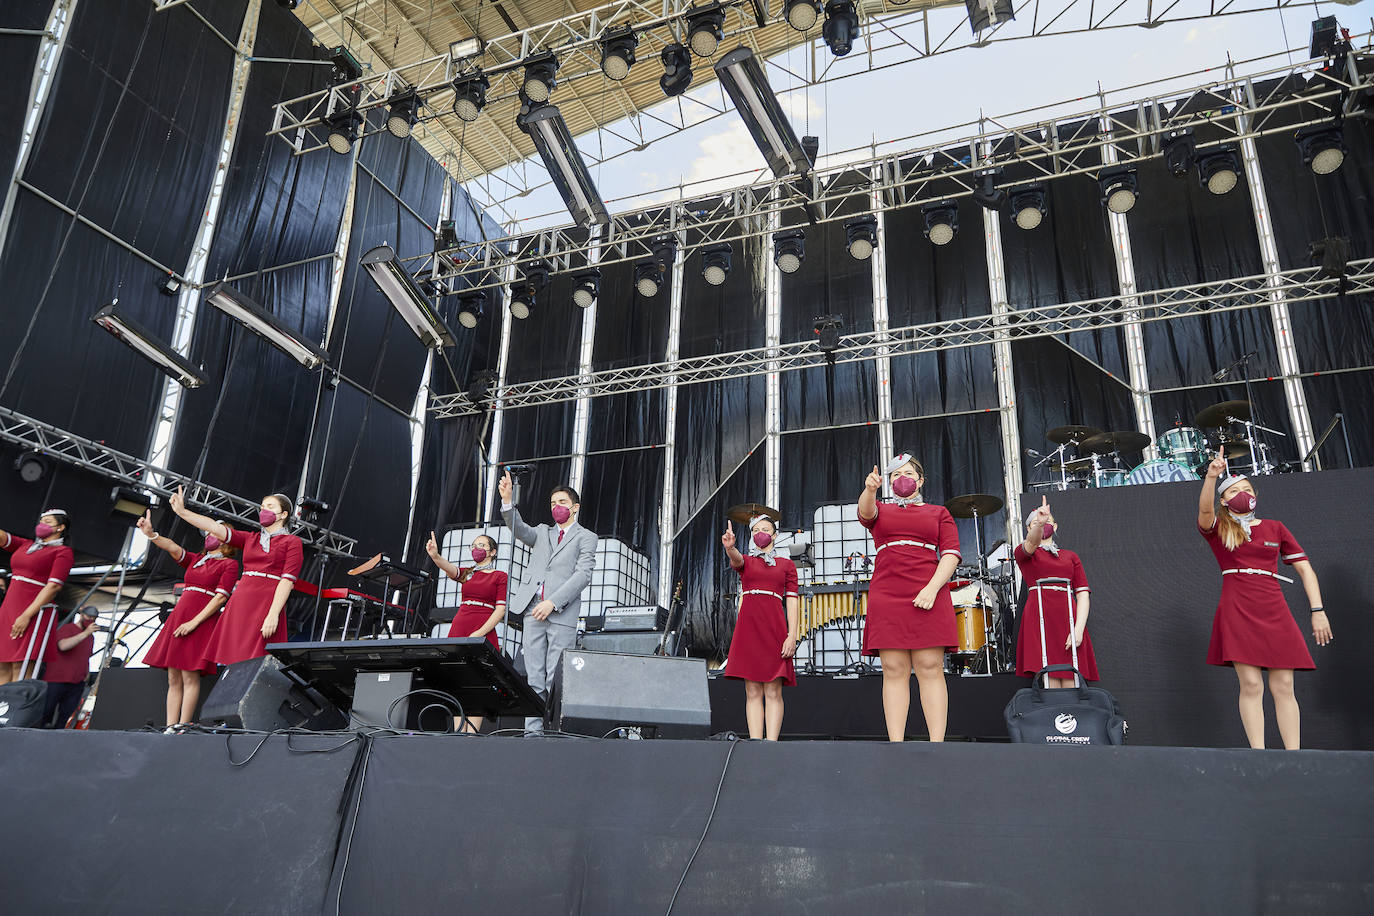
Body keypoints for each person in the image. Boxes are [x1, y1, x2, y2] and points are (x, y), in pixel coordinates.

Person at [1198, 452, 1331, 749]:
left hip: (1273, 606)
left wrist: (1317, 610)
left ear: (1255, 495)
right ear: (1223, 500)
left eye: (1246, 489)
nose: (1241, 494)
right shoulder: (1220, 528)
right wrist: (1211, 477)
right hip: (1237, 606)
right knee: (1252, 684)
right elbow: (1204, 515)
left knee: (1284, 685)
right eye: (1233, 491)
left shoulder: (1275, 527)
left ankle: (1294, 758)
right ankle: (1259, 756)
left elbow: (1304, 569)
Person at [858, 454, 961, 742]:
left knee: (930, 667)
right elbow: (865, 513)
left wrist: (932, 588)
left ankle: (937, 744)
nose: (901, 478)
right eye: (895, 474)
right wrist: (870, 489)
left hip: (929, 590)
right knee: (893, 669)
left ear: (920, 479)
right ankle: (896, 745)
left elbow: (951, 553)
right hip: (887, 593)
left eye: (907, 473)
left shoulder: (938, 512)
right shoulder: (881, 509)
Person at [499, 469, 596, 734]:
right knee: (534, 677)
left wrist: (553, 602)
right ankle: (532, 734)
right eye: (553, 503)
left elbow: (582, 575)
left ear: (575, 507)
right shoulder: (542, 532)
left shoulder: (587, 537)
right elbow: (518, 529)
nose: (557, 507)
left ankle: (554, 731)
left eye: (562, 502)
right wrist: (508, 502)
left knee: (555, 677)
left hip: (560, 614)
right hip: (532, 610)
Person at [169, 487, 303, 666]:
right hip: (240, 601)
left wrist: (273, 614)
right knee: (233, 658)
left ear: (283, 514)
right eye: (262, 507)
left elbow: (287, 581)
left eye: (270, 506)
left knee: (256, 660)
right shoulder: (250, 538)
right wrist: (183, 512)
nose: (264, 510)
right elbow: (214, 527)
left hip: (265, 602)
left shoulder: (292, 542)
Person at [138, 512, 240, 729]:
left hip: (199, 621)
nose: (208, 536)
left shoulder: (229, 564)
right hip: (180, 617)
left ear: (225, 538)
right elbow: (173, 548)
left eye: (213, 533)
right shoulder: (196, 559)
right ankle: (170, 726)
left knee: (189, 676)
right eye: (207, 533)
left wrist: (194, 622)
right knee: (173, 677)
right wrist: (152, 534)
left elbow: (221, 597)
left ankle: (183, 726)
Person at [721, 515, 799, 740]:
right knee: (752, 691)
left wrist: (791, 635)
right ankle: (756, 743)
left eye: (765, 529)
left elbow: (792, 601)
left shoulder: (786, 565)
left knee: (773, 689)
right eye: (755, 530)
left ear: (775, 535)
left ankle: (771, 744)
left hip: (774, 629)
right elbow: (736, 560)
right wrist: (730, 548)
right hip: (748, 629)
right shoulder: (746, 561)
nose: (760, 533)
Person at [424, 530, 507, 733]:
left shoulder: (499, 576)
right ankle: (458, 733)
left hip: (482, 628)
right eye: (474, 545)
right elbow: (450, 569)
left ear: (493, 552)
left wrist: (480, 633)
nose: (476, 549)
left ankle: (471, 735)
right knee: (459, 678)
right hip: (460, 626)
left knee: (477, 681)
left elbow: (501, 609)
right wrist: (435, 556)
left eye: (482, 545)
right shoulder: (469, 573)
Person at [1014, 495, 1097, 687]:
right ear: (1029, 529)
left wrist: (1078, 629)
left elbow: (1083, 593)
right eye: (1035, 523)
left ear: (1056, 526)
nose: (1043, 525)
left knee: (1071, 680)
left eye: (1047, 522)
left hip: (1067, 619)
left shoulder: (1070, 556)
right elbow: (1031, 544)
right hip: (1040, 619)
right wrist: (1039, 524)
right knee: (1049, 679)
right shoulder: (1025, 554)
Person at [0, 509, 75, 685]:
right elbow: (3, 538)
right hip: (9, 608)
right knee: (2, 663)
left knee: (21, 666)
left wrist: (26, 615)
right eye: (41, 521)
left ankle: (14, 710)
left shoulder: (62, 552)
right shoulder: (26, 546)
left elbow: (54, 586)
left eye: (48, 522)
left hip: (33, 611)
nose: (42, 525)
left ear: (60, 527)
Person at [41, 606, 99, 728]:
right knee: (45, 712)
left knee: (66, 715)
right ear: (81, 615)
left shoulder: (90, 637)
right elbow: (63, 646)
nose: (91, 620)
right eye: (89, 617)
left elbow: (86, 656)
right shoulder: (67, 628)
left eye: (94, 618)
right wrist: (85, 633)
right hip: (56, 679)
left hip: (77, 682)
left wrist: (86, 673)